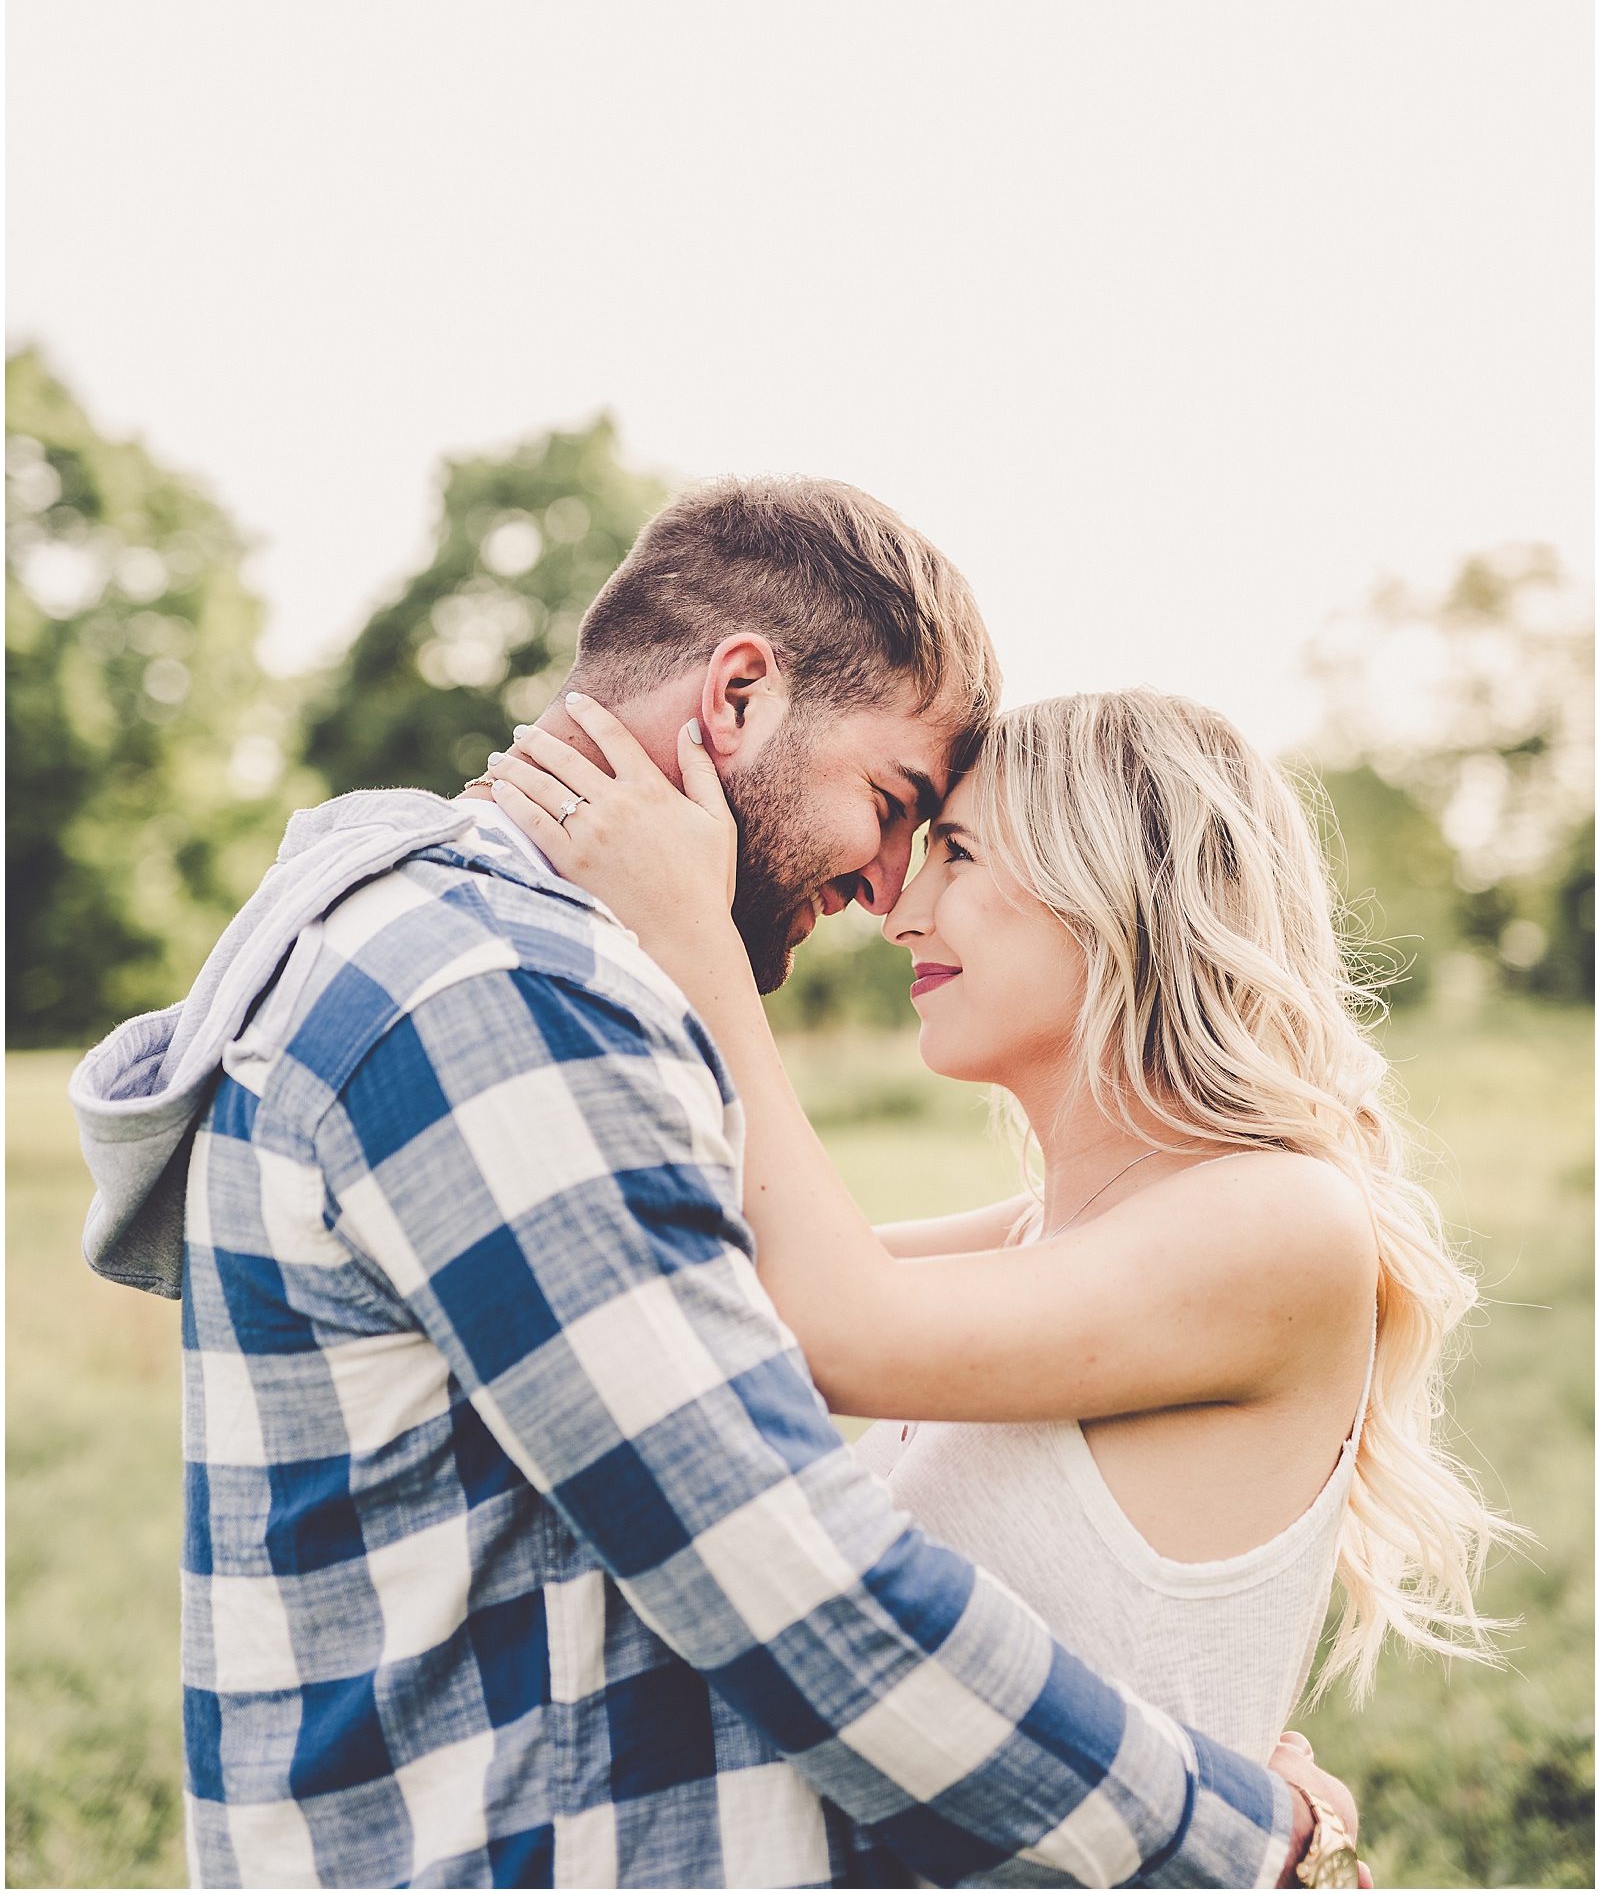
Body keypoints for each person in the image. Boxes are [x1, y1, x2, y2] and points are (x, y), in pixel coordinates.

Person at [72, 478, 1359, 1890]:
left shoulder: (492, 966)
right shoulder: (496, 993)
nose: (888, 892)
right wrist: (1220, 1820)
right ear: (737, 695)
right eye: (895, 806)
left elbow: (744, 1331)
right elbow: (788, 1561)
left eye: (944, 843)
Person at [483, 679, 1519, 1789]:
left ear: (1121, 886)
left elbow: (835, 1332)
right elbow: (730, 1293)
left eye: (960, 855)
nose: (900, 908)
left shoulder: (1284, 1219)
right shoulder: (1047, 1233)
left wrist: (693, 936)